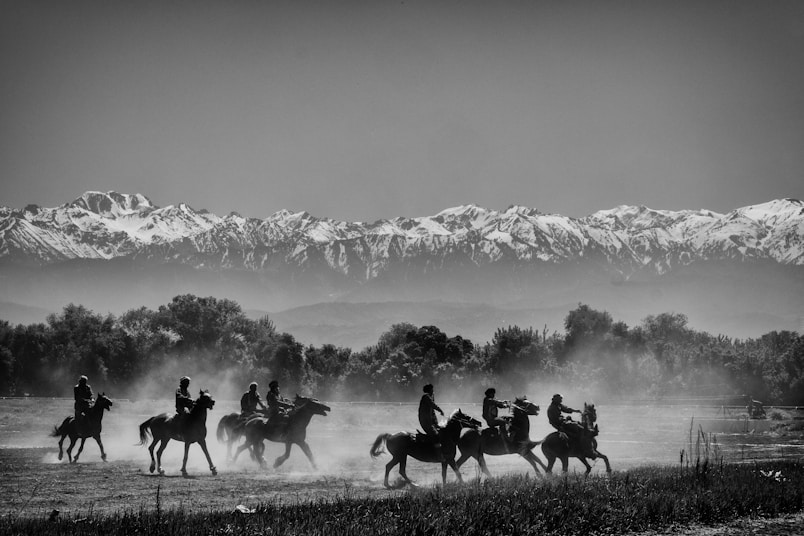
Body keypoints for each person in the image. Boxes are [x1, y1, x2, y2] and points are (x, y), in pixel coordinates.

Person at [418, 384, 445, 460]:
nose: (433, 391)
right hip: (425, 421)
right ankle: (438, 455)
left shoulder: (430, 397)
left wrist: (436, 424)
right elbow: (432, 405)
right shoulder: (426, 397)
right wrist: (440, 410)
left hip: (430, 422)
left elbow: (432, 412)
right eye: (432, 389)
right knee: (435, 435)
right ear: (429, 390)